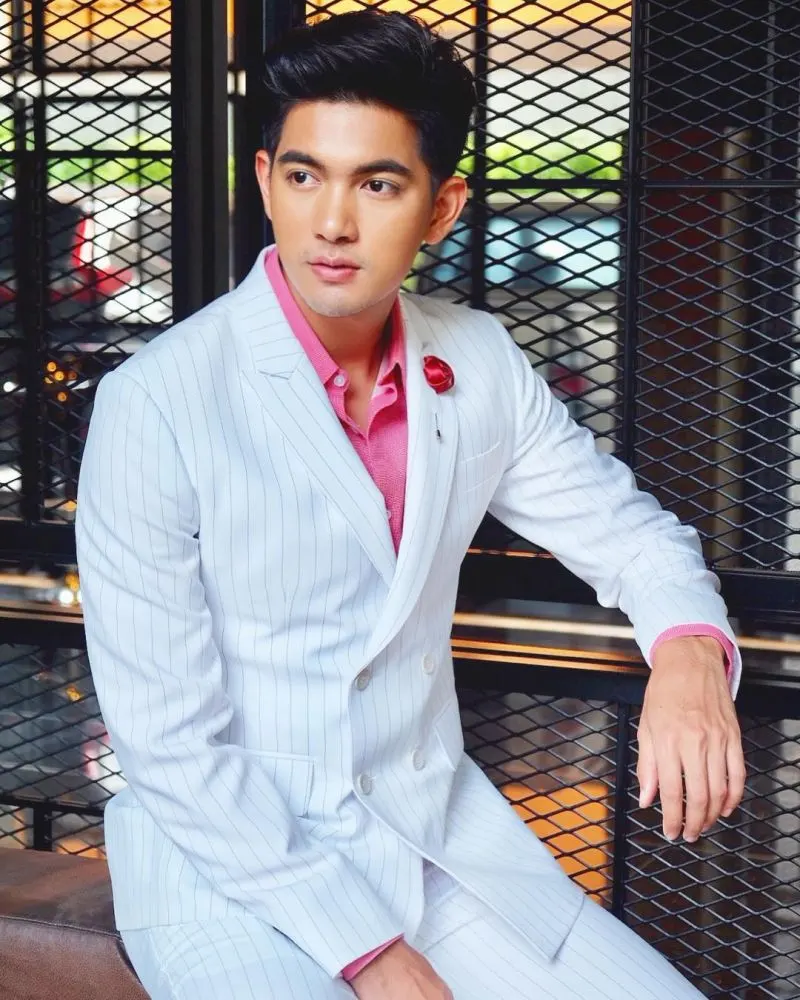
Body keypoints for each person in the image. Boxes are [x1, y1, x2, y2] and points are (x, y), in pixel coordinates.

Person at [76, 10, 745, 1000]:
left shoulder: (478, 358)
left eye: (378, 184)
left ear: (441, 208)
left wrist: (687, 650)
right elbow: (169, 745)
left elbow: (630, 536)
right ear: (264, 180)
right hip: (226, 865)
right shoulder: (158, 399)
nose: (331, 222)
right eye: (303, 176)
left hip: (433, 845)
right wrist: (367, 950)